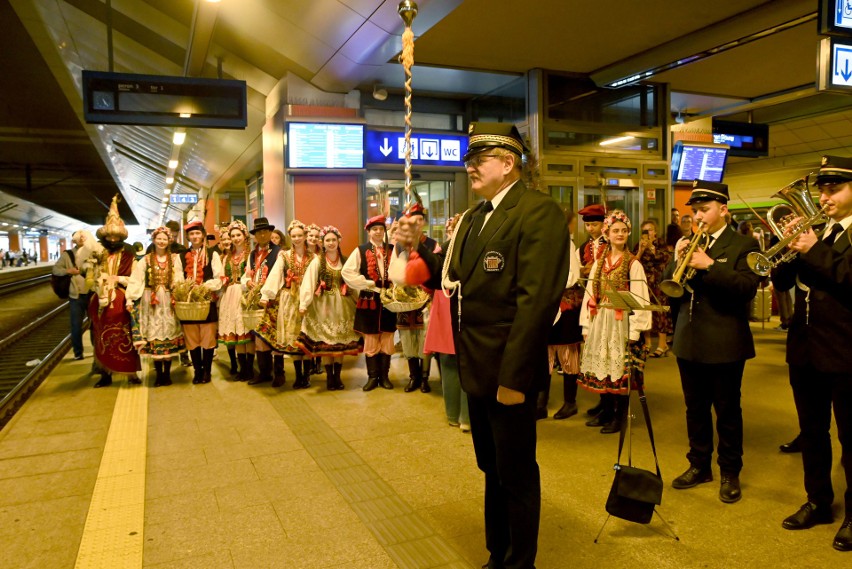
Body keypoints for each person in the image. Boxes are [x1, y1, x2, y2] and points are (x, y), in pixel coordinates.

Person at [394, 122, 570, 569]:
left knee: (516, 472)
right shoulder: (474, 217)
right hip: (475, 365)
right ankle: (498, 553)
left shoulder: (539, 212)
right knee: (491, 469)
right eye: (469, 159)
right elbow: (451, 278)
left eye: (479, 159)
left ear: (508, 163)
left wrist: (515, 379)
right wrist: (415, 248)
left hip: (508, 369)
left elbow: (536, 303)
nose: (470, 167)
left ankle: (520, 562)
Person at [773, 155, 852, 551]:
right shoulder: (819, 231)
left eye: (834, 188)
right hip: (805, 348)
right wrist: (787, 246)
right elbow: (782, 279)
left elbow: (847, 277)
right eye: (821, 188)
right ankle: (818, 500)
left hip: (845, 350)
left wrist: (814, 248)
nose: (824, 197)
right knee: (813, 432)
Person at [669, 180, 761, 504]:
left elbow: (746, 288)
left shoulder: (744, 245)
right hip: (689, 338)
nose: (698, 216)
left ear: (723, 209)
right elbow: (673, 288)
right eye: (695, 211)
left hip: (724, 342)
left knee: (727, 410)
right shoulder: (690, 242)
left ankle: (730, 471)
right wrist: (675, 259)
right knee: (694, 408)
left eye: (704, 210)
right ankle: (698, 465)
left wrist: (708, 265)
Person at [578, 210, 652, 433]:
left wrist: (635, 331)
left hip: (622, 322)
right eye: (615, 231)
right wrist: (586, 324)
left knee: (620, 369)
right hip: (602, 319)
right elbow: (590, 294)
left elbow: (641, 299)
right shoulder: (600, 262)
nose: (620, 234)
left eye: (624, 230)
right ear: (607, 234)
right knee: (606, 365)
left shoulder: (633, 264)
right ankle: (607, 410)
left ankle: (620, 416)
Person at [82, 196, 141, 388]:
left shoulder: (129, 255)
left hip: (121, 298)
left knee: (126, 335)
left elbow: (136, 276)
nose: (113, 239)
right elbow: (89, 277)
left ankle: (130, 372)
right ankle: (105, 372)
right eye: (110, 237)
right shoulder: (97, 254)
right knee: (100, 335)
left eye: (116, 236)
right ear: (105, 237)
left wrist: (118, 280)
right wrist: (96, 282)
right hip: (100, 298)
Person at [296, 226, 361, 389]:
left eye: (333, 239)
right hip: (322, 307)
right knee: (326, 345)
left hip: (342, 307)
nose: (331, 243)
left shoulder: (346, 261)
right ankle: (329, 377)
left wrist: (360, 298)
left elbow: (354, 282)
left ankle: (337, 377)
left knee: (338, 345)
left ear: (339, 241)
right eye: (327, 240)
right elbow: (309, 283)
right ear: (322, 243)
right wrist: (304, 304)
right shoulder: (317, 261)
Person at [421, 214, 470, 432]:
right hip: (464, 307)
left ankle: (452, 414)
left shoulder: (444, 248)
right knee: (467, 363)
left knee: (449, 363)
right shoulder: (473, 247)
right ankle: (466, 418)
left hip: (443, 304)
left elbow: (428, 280)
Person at [125, 226, 185, 386]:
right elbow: (136, 280)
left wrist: (178, 289)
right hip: (151, 303)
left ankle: (167, 374)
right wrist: (130, 298)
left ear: (169, 241)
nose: (161, 241)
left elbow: (179, 277)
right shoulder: (145, 260)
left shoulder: (175, 259)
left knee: (170, 333)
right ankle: (159, 375)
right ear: (154, 240)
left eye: (164, 239)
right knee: (155, 333)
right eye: (159, 238)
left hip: (169, 300)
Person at [342, 215, 396, 391]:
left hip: (388, 299)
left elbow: (399, 270)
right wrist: (366, 283)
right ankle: (372, 377)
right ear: (369, 232)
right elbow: (347, 272)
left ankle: (385, 377)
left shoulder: (392, 249)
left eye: (381, 229)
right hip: (369, 299)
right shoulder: (360, 250)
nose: (378, 232)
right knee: (371, 338)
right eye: (375, 229)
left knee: (387, 337)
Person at [390, 202, 440, 394]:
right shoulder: (399, 245)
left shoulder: (433, 245)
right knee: (408, 337)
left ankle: (425, 377)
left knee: (424, 339)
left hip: (426, 299)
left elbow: (435, 272)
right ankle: (414, 377)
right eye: (413, 220)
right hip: (405, 299)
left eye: (420, 220)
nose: (416, 223)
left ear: (424, 223)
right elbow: (395, 269)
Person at [260, 220, 314, 388]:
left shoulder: (313, 257)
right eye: (294, 236)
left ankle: (307, 375)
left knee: (307, 337)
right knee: (294, 337)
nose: (297, 239)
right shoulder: (284, 256)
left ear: (305, 236)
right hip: (289, 299)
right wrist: (266, 294)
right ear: (290, 237)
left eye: (300, 235)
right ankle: (298, 376)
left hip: (308, 299)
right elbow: (275, 275)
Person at [543, 209, 583, 420]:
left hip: (565, 306)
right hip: (547, 305)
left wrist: (549, 285)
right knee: (545, 354)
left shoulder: (567, 245)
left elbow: (572, 277)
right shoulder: (542, 243)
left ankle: (570, 402)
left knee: (568, 354)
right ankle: (541, 402)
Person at [181, 220, 223, 384]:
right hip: (188, 304)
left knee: (208, 338)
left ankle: (207, 371)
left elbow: (218, 277)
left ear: (203, 235)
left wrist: (203, 287)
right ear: (188, 237)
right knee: (192, 340)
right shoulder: (181, 256)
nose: (195, 236)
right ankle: (197, 371)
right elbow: (178, 277)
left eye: (198, 233)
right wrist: (186, 289)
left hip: (207, 301)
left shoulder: (213, 254)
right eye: (192, 234)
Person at [576, 203, 608, 418]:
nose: (590, 229)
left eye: (594, 224)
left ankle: (611, 402)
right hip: (590, 299)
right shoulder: (582, 248)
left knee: (607, 354)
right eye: (587, 225)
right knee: (595, 354)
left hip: (608, 302)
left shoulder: (611, 245)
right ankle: (602, 399)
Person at [242, 217, 281, 385]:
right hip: (256, 300)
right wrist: (247, 282)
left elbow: (279, 276)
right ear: (255, 235)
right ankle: (265, 372)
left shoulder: (279, 252)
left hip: (273, 300)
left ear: (271, 233)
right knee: (259, 337)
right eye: (259, 232)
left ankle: (279, 373)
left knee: (275, 337)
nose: (262, 234)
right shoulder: (252, 254)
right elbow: (246, 274)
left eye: (265, 231)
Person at [217, 220, 254, 379]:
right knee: (237, 332)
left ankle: (250, 369)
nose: (236, 238)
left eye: (238, 235)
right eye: (233, 235)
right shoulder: (227, 257)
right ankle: (242, 368)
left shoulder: (251, 255)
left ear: (245, 236)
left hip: (245, 293)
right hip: (230, 295)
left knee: (247, 330)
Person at [634, 219, 673, 357]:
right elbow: (634, 262)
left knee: (661, 311)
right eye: (645, 230)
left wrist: (651, 248)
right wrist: (641, 250)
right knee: (646, 310)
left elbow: (667, 258)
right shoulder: (639, 244)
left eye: (650, 229)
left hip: (659, 281)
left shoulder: (660, 243)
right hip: (644, 282)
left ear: (655, 231)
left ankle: (662, 344)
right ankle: (648, 343)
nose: (648, 233)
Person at [52, 230, 93, 360]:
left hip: (92, 294)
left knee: (95, 325)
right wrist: (68, 270)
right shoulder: (67, 255)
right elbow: (56, 269)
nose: (81, 239)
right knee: (76, 325)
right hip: (76, 295)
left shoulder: (93, 253)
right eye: (78, 237)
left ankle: (97, 351)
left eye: (83, 237)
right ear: (73, 240)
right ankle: (78, 353)